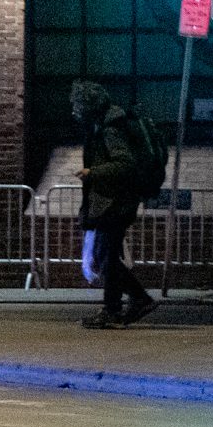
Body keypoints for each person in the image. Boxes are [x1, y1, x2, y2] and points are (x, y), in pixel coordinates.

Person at [71, 80, 158, 329]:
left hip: (116, 201)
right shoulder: (104, 125)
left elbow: (125, 163)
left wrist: (93, 172)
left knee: (105, 256)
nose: (74, 110)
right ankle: (117, 306)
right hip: (116, 200)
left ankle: (133, 300)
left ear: (89, 105)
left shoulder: (110, 129)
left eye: (77, 104)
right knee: (106, 256)